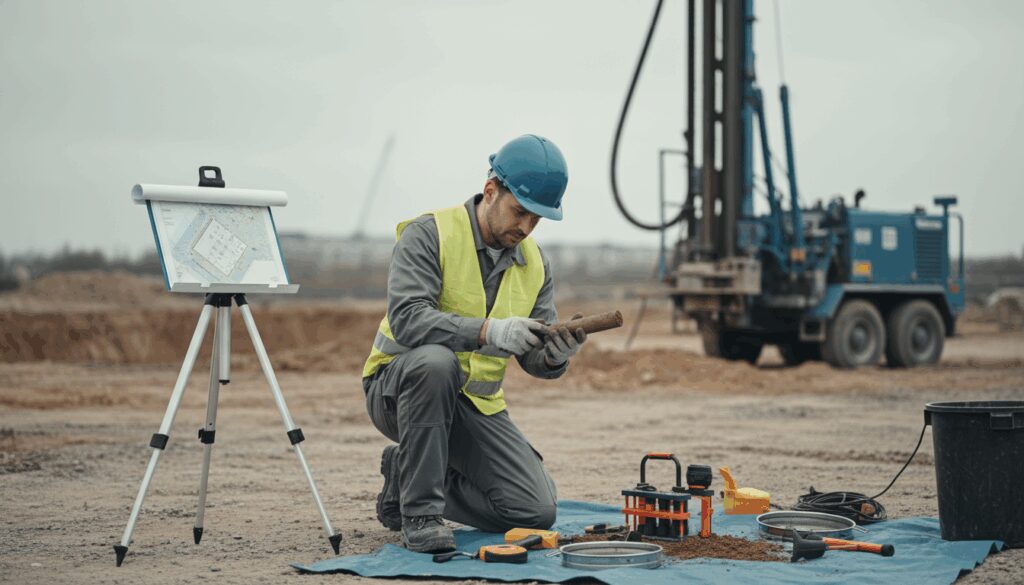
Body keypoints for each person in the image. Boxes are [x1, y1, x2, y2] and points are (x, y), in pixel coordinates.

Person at [360, 134, 587, 553]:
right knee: (436, 362)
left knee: (533, 510)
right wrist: (488, 331)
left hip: (473, 406)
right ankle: (421, 515)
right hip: (399, 392)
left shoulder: (535, 264)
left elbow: (533, 354)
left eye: (536, 219)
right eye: (520, 212)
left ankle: (405, 476)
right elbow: (408, 319)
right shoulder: (429, 234)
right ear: (490, 190)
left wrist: (553, 357)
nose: (526, 227)